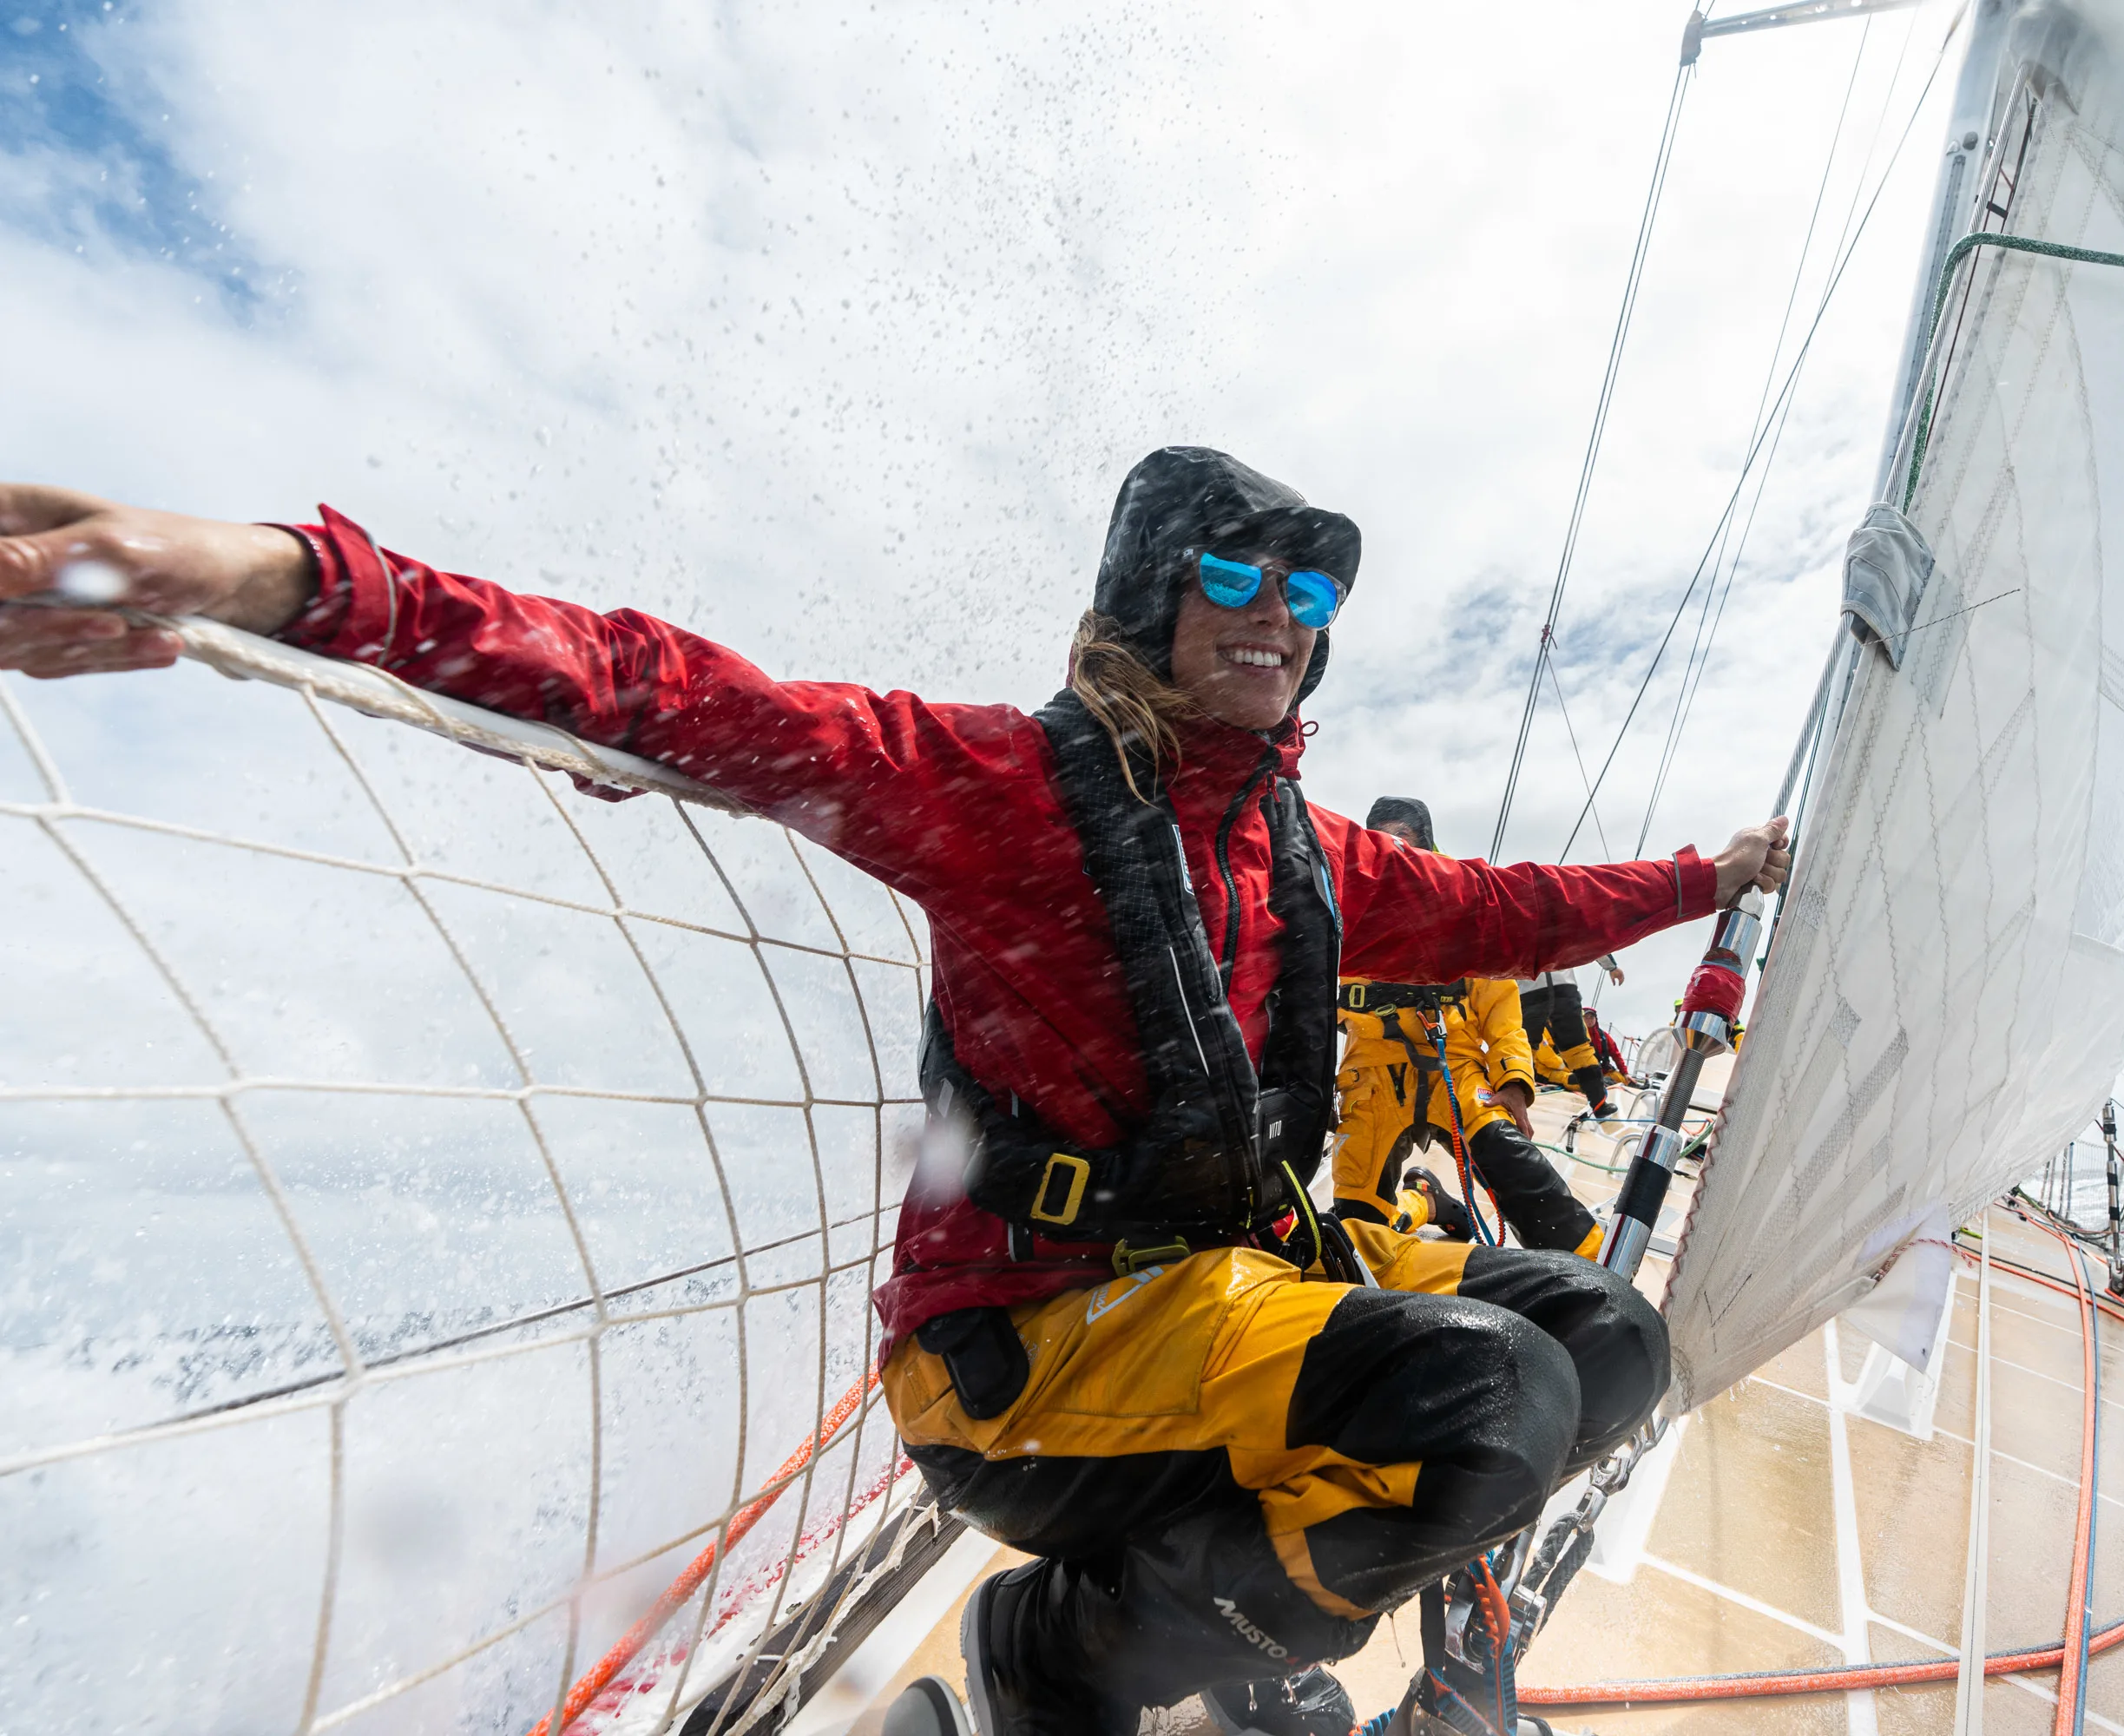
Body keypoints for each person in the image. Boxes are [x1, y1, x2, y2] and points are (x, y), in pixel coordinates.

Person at [0, 449, 1791, 1736]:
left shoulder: (1299, 849)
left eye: (1307, 592)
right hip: (1031, 1346)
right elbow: (673, 695)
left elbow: (1512, 912)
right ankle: (1070, 1658)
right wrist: (284, 575)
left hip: (1235, 1285)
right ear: (1146, 598)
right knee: (1493, 1402)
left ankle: (1209, 1620)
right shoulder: (999, 787)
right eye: (1234, 575)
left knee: (1610, 1348)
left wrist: (1714, 878)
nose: (1279, 616)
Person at [1331, 796, 1599, 1257]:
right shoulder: (1341, 910)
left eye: (1406, 843)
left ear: (1430, 849)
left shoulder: (1462, 910)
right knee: (1356, 1231)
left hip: (1453, 1068)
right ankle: (1422, 1203)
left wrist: (1515, 1079)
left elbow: (1501, 1008)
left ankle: (1591, 1273)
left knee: (1521, 1173)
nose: (1395, 854)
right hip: (1372, 1078)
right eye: (1382, 845)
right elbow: (1308, 1010)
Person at [1520, 960, 1622, 1119]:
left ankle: (1599, 1103)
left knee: (1524, 1048)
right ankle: (1600, 1104)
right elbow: (1597, 935)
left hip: (1531, 990)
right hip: (1558, 989)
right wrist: (1612, 967)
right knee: (1524, 1048)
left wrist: (1611, 967)